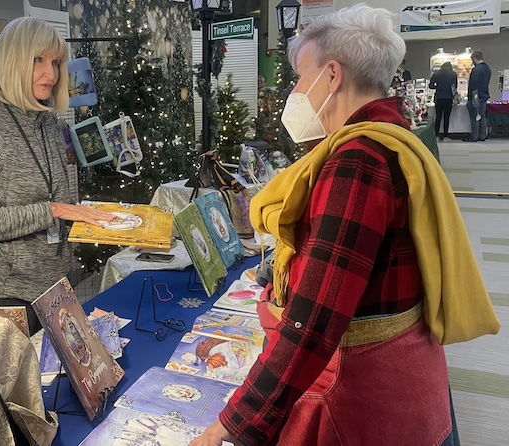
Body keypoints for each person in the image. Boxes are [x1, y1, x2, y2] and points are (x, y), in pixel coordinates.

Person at [191, 5, 500, 446]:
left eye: (301, 77)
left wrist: (230, 424)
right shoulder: (392, 139)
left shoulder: (357, 163)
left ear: (332, 75)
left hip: (360, 397)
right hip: (405, 376)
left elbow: (313, 322)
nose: (296, 93)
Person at [0, 17, 114, 334]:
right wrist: (54, 210)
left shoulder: (50, 124)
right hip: (2, 298)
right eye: (37, 60)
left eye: (55, 62)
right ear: (13, 62)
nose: (52, 73)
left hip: (53, 289)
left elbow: (57, 199)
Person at [465, 50, 491, 142]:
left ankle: (474, 137)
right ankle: (482, 135)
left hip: (476, 97)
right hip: (484, 96)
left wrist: (471, 98)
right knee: (483, 117)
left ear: (474, 59)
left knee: (475, 117)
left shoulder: (476, 69)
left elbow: (473, 85)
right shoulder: (487, 68)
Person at [429, 62, 458, 140]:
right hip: (448, 98)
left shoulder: (436, 74)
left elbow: (430, 86)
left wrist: (438, 87)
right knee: (446, 117)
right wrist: (455, 97)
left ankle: (436, 135)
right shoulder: (453, 74)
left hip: (439, 97)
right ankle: (445, 136)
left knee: (438, 117)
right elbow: (454, 87)